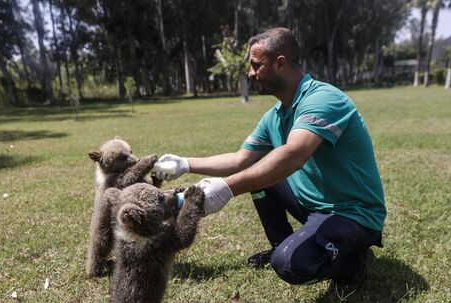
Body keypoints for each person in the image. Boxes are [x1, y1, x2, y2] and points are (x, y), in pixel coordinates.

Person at [152, 27, 386, 286]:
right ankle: (281, 244)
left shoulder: (323, 99)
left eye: (256, 65)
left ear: (280, 63)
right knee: (257, 173)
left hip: (354, 213)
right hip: (317, 206)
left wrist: (228, 188)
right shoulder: (276, 115)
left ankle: (355, 261)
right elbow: (240, 160)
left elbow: (293, 155)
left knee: (290, 265)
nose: (251, 73)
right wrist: (185, 164)